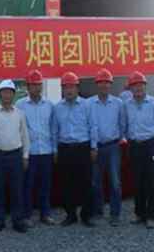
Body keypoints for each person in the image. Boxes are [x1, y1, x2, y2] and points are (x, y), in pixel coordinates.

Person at [0, 80, 30, 234]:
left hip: (15, 155)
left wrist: (25, 156)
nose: (7, 95)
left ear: (13, 95)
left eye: (10, 92)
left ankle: (17, 220)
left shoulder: (20, 114)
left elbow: (25, 136)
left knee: (17, 190)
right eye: (4, 92)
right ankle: (0, 220)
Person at [54, 71, 97, 227]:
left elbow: (93, 127)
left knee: (86, 183)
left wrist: (93, 147)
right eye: (66, 87)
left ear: (77, 88)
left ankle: (86, 215)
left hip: (82, 148)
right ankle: (70, 215)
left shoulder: (86, 105)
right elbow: (54, 130)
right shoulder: (57, 107)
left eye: (72, 87)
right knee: (66, 183)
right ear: (62, 89)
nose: (69, 90)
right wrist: (55, 150)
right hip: (65, 149)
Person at [15, 70, 57, 227]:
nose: (37, 88)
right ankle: (27, 215)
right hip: (29, 152)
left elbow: (53, 129)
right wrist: (22, 152)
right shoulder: (20, 105)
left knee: (45, 185)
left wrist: (54, 149)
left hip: (46, 151)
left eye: (39, 84)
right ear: (27, 87)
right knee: (28, 185)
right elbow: (18, 129)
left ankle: (45, 214)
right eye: (33, 85)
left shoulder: (49, 105)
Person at [123, 71, 154, 229]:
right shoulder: (127, 105)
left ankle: (151, 216)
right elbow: (124, 126)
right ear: (130, 88)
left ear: (145, 86)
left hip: (151, 146)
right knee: (137, 181)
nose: (138, 88)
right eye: (134, 85)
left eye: (140, 85)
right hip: (134, 146)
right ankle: (139, 214)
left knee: (152, 182)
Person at [87, 68, 124, 226]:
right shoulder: (89, 103)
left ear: (110, 84)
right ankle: (98, 211)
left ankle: (115, 214)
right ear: (97, 84)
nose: (104, 85)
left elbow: (122, 124)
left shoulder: (118, 103)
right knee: (96, 181)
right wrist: (93, 147)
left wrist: (118, 139)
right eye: (101, 82)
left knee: (115, 182)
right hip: (96, 148)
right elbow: (89, 126)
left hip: (113, 146)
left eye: (107, 82)